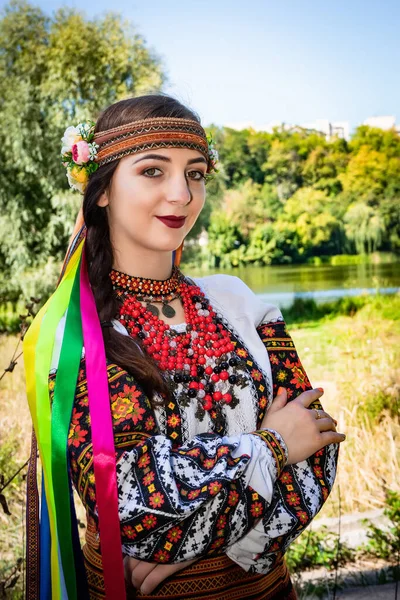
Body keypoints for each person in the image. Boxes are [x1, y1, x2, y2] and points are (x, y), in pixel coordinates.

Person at [23, 93, 345, 600]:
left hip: (264, 588)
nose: (182, 194)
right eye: (153, 171)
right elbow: (130, 506)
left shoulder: (239, 302)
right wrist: (272, 445)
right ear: (102, 189)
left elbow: (319, 446)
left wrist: (195, 544)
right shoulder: (77, 336)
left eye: (195, 173)